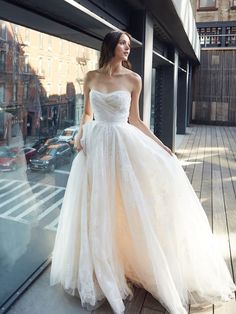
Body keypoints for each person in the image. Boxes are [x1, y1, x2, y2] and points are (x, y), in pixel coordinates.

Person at [50, 31, 236, 314]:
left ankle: (127, 258)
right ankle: (101, 264)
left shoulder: (133, 79)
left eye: (129, 44)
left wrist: (161, 145)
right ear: (110, 46)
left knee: (125, 203)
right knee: (97, 206)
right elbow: (87, 114)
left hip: (122, 145)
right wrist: (79, 135)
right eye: (123, 43)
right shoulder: (90, 77)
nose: (127, 48)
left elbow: (134, 120)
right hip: (96, 146)